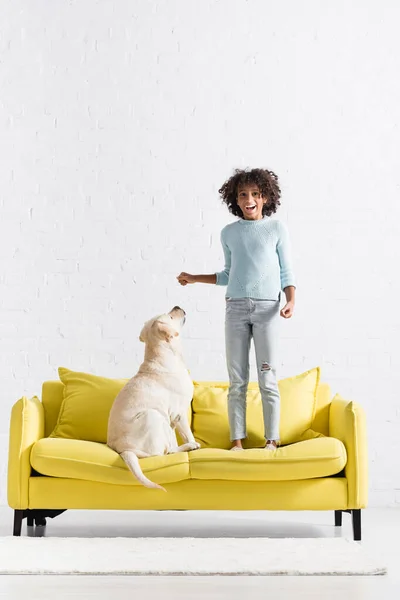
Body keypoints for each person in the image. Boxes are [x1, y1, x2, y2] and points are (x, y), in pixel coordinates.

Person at [177, 168, 296, 451]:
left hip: (268, 309)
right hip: (236, 310)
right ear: (235, 199)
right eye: (243, 195)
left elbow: (286, 272)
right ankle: (237, 442)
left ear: (266, 197)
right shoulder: (228, 233)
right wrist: (194, 278)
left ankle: (272, 440)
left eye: (255, 194)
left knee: (267, 376)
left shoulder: (277, 229)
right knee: (237, 380)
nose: (249, 199)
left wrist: (291, 300)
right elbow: (228, 275)